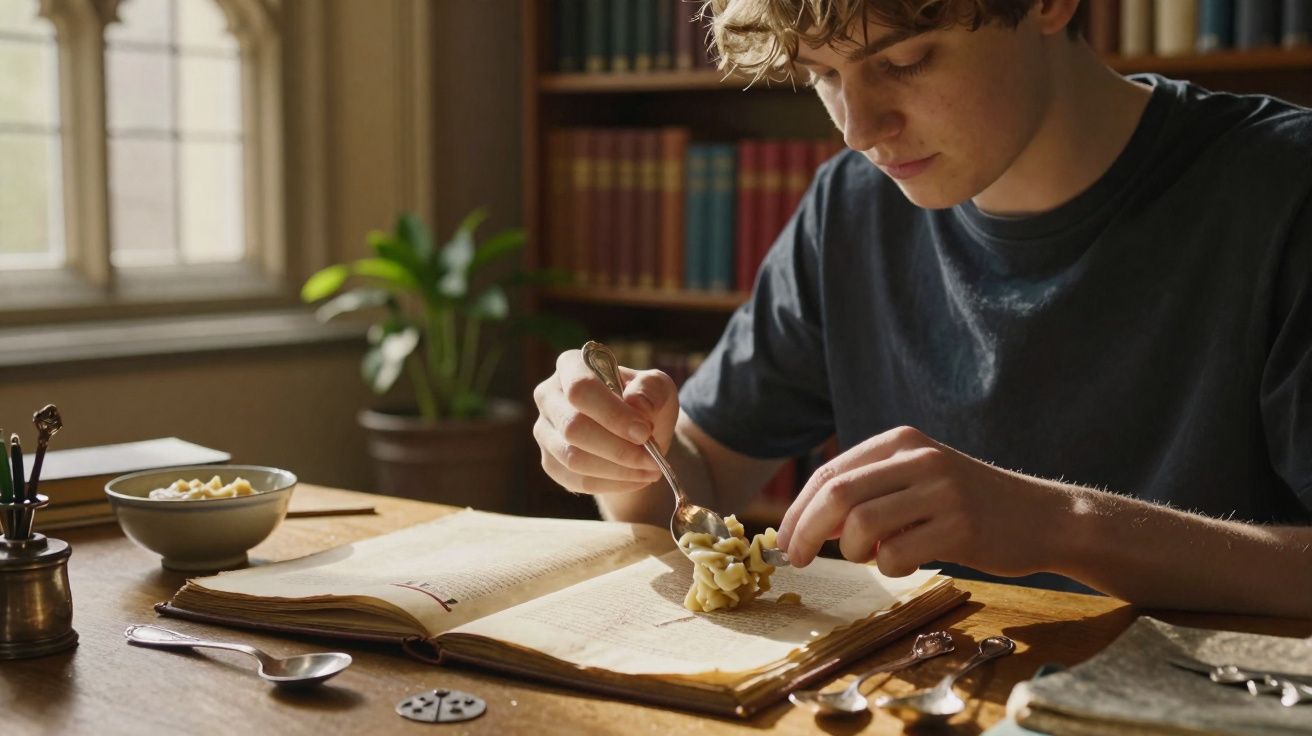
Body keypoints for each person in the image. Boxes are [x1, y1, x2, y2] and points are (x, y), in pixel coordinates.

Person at [532, 0, 1312, 617]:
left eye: (905, 61)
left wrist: (1059, 525)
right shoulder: (849, 208)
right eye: (822, 75)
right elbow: (697, 485)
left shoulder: (1285, 192)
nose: (859, 130)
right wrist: (622, 451)